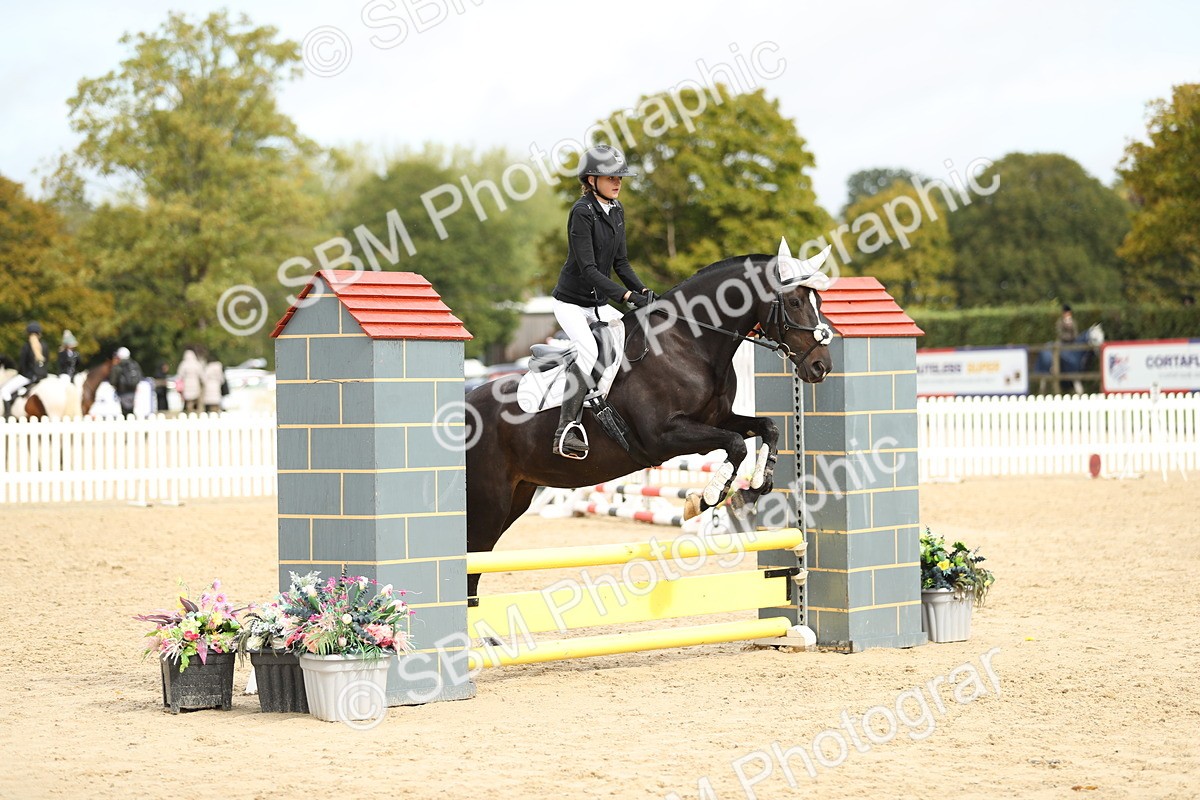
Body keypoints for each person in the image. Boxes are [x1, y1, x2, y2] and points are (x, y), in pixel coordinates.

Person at [549, 143, 655, 459]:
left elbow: (621, 263)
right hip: (570, 303)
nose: (618, 183)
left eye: (620, 177)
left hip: (595, 303)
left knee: (628, 340)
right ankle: (564, 430)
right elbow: (589, 269)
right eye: (611, 178)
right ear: (592, 179)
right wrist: (625, 296)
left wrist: (645, 293)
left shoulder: (616, 210)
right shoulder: (581, 212)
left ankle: (605, 403)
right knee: (590, 350)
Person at [2, 322, 49, 418]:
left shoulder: (26, 346)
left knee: (4, 391)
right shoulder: (45, 346)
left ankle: (7, 415)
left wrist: (18, 373)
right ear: (39, 334)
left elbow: (23, 365)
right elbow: (47, 361)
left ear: (28, 334)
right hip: (43, 376)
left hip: (29, 376)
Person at [110, 346, 145, 417]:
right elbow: (140, 377)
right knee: (132, 412)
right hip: (134, 392)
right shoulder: (135, 364)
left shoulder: (118, 366)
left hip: (122, 393)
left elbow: (112, 381)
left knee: (124, 414)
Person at [1055, 304, 1077, 393]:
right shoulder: (1059, 322)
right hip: (1062, 342)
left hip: (1072, 343)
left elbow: (1075, 332)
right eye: (1066, 313)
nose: (1067, 314)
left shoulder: (1073, 322)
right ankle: (1054, 367)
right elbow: (1060, 333)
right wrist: (1068, 337)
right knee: (1057, 351)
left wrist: (1073, 336)